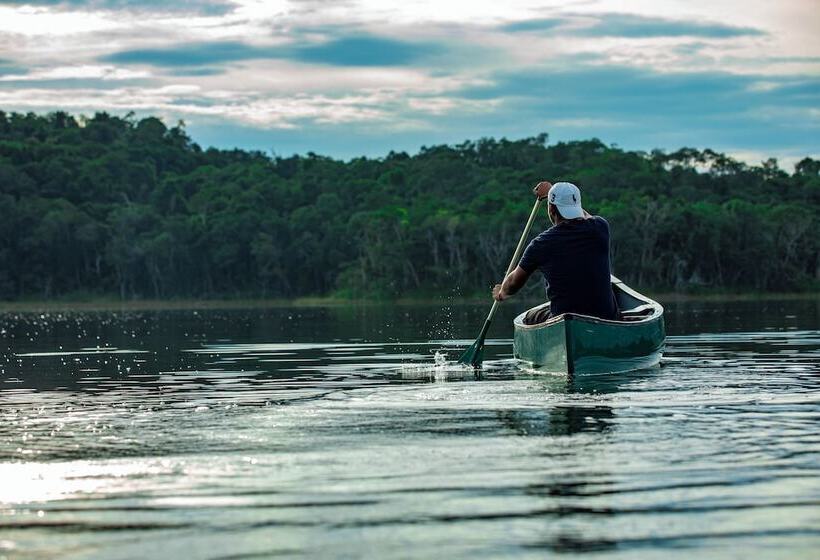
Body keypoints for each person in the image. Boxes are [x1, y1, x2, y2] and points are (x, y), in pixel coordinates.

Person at [492, 181, 618, 324]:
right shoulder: (600, 227)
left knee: (529, 318)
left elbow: (514, 282)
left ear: (551, 209)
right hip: (607, 318)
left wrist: (502, 292)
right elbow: (585, 215)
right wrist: (554, 193)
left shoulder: (541, 244)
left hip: (564, 320)